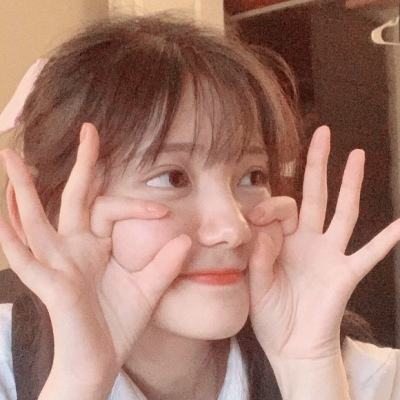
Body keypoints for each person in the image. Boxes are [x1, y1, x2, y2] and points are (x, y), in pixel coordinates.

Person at [0, 13, 399, 400]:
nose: (234, 228)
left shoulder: (370, 379)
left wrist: (307, 370)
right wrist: (80, 381)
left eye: (252, 176)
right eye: (172, 178)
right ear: (36, 211)